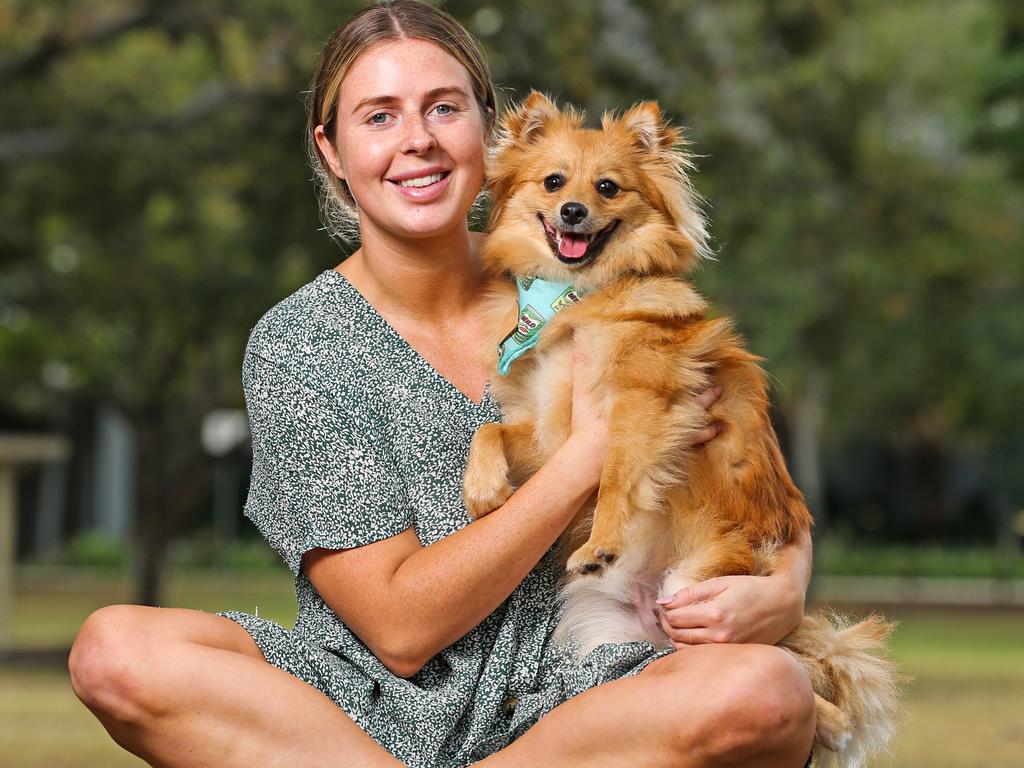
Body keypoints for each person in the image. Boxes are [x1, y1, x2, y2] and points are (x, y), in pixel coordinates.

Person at [68, 2, 816, 766]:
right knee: (114, 649)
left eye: (443, 108)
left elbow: (747, 473)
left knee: (769, 692)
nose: (417, 139)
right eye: (379, 116)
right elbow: (397, 632)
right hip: (358, 711)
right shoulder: (301, 344)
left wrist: (785, 587)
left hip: (590, 692)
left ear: (487, 134)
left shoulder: (590, 265)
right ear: (331, 149)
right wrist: (591, 452)